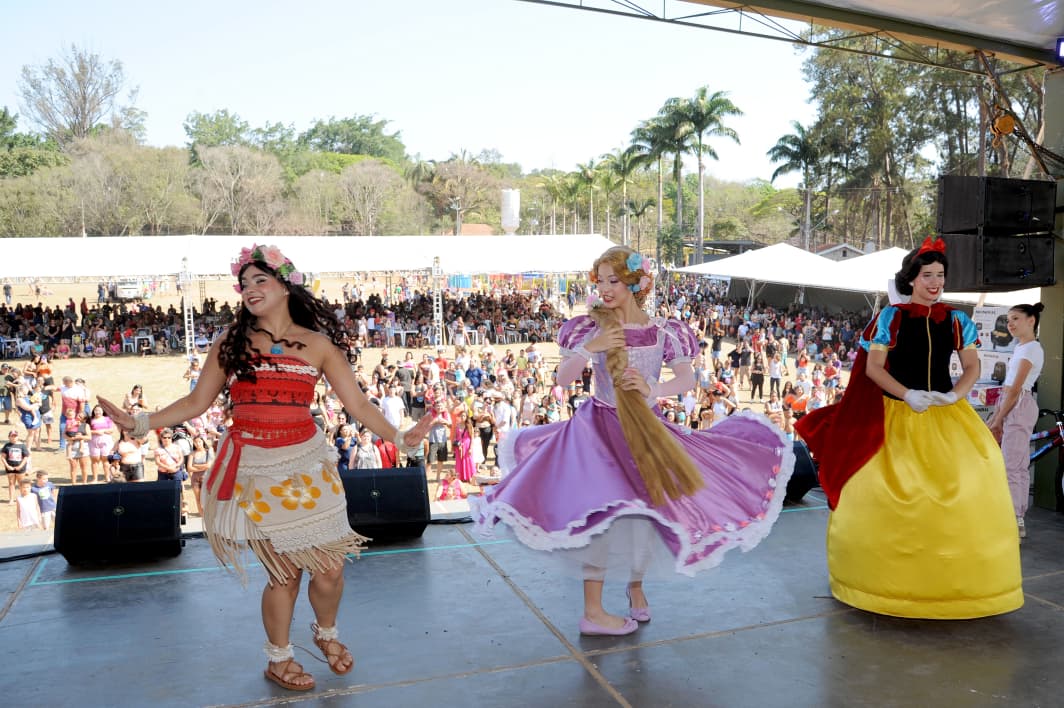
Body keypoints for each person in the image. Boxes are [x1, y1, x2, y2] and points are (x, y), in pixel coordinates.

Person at [98, 243, 436, 693]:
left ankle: (326, 632)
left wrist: (400, 436)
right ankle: (279, 659)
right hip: (255, 469)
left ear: (285, 285)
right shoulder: (231, 342)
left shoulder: (319, 346)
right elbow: (197, 403)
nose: (250, 290)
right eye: (244, 284)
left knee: (331, 569)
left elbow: (356, 404)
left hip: (309, 468)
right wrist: (141, 421)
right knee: (284, 574)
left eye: (260, 281)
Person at [470, 246, 793, 636]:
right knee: (601, 515)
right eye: (601, 280)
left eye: (614, 281)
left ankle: (635, 588)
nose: (604, 288)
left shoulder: (664, 331)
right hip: (598, 433)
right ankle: (593, 611)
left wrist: (655, 388)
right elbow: (562, 380)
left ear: (636, 283)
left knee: (646, 510)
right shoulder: (591, 328)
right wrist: (591, 348)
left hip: (647, 430)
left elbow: (688, 379)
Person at [795, 237, 1023, 619]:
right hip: (897, 412)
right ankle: (881, 586)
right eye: (927, 275)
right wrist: (908, 394)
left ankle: (962, 587)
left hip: (945, 413)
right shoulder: (890, 318)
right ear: (912, 279)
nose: (935, 282)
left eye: (941, 275)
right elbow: (873, 369)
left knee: (975, 482)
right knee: (886, 493)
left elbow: (972, 367)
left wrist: (955, 396)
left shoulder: (957, 320)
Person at [985, 303, 1044, 539]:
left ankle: (1015, 518)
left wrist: (998, 419)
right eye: (1009, 319)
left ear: (1031, 320)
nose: (1010, 323)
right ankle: (1012, 515)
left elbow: (1016, 388)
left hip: (1017, 405)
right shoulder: (1021, 348)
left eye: (1016, 318)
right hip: (1011, 403)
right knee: (1013, 463)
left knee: (1013, 465)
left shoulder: (1031, 349)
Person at [3, 430, 30, 503]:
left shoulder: (22, 445)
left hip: (20, 468)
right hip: (10, 468)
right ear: (9, 437)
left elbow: (26, 457)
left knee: (21, 483)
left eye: (15, 436)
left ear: (18, 437)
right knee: (11, 483)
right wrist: (7, 466)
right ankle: (11, 499)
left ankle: (24, 498)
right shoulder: (7, 446)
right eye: (12, 436)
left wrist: (20, 466)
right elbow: (3, 457)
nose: (14, 438)